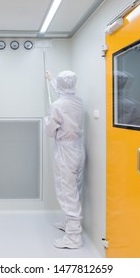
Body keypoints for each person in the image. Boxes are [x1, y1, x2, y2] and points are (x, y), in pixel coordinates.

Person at [44, 70, 85, 249]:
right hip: (78, 148)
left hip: (65, 151)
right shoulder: (78, 101)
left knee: (66, 191)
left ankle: (73, 237)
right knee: (75, 188)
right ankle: (70, 225)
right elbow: (64, 93)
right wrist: (51, 79)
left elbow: (50, 132)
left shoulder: (57, 106)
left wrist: (48, 119)